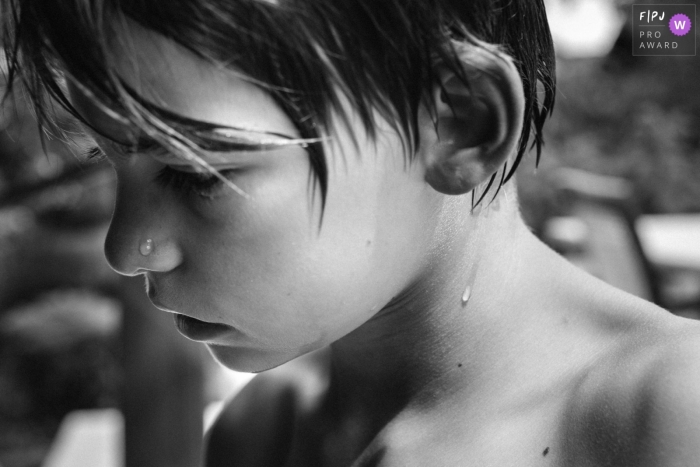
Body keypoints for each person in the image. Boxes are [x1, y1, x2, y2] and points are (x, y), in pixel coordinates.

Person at [3, 1, 700, 465]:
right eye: (110, 164)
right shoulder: (263, 434)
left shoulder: (666, 415)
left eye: (196, 173)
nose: (125, 248)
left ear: (459, 124)